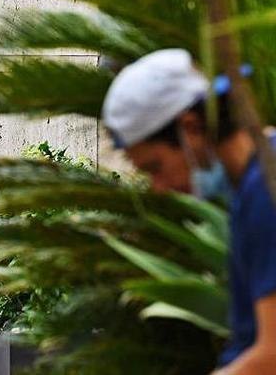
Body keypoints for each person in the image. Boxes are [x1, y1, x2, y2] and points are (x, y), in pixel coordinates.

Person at [101, 49, 276, 374]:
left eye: (156, 167)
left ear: (191, 127)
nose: (159, 188)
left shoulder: (267, 190)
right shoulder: (250, 188)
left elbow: (273, 354)